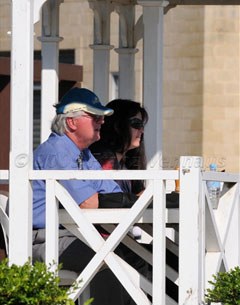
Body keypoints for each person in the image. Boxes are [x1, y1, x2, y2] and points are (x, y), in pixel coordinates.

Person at [32, 87, 147, 305]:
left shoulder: (83, 153)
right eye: (95, 116)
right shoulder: (57, 151)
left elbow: (113, 193)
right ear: (72, 122)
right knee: (107, 258)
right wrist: (134, 200)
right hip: (44, 239)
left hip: (69, 236)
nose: (102, 122)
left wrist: (129, 200)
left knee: (136, 256)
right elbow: (89, 203)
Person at [90, 99, 148, 196]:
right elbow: (108, 199)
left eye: (142, 125)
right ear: (118, 125)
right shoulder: (103, 157)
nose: (141, 131)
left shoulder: (125, 162)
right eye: (136, 124)